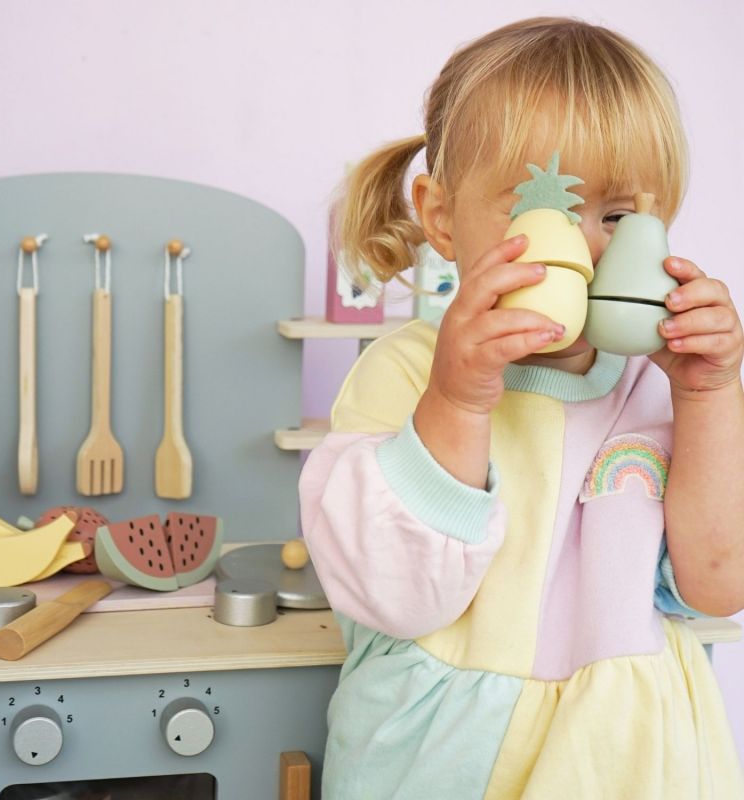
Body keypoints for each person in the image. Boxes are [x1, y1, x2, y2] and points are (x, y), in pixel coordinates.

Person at [299, 17, 744, 800]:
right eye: (540, 210)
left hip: (626, 761)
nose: (580, 247)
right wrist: (459, 399)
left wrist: (709, 396)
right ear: (441, 217)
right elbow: (394, 596)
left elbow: (717, 583)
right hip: (443, 762)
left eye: (617, 218)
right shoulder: (403, 375)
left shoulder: (653, 386)